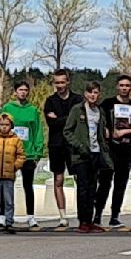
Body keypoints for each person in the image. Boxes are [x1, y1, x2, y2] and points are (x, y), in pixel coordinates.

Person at [65, 80, 112, 233]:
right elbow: (67, 131)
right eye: (90, 92)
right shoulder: (77, 110)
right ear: (85, 94)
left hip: (96, 153)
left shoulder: (99, 111)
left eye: (96, 92)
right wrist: (79, 145)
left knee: (93, 188)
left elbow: (102, 132)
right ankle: (83, 221)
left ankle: (91, 220)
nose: (93, 95)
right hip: (81, 155)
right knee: (83, 188)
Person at [94, 75, 131, 227]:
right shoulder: (108, 104)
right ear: (117, 87)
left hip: (126, 149)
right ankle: (97, 214)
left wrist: (125, 132)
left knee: (121, 184)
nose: (124, 88)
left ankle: (115, 216)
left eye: (127, 85)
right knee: (104, 183)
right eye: (122, 85)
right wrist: (106, 130)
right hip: (109, 149)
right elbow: (99, 121)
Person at [0, 82, 44, 228]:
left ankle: (31, 216)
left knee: (28, 185)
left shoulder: (33, 110)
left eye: (26, 90)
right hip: (10, 152)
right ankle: (3, 216)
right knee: (6, 185)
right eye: (20, 90)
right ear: (15, 91)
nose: (23, 93)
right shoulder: (7, 108)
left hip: (28, 153)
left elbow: (38, 131)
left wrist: (38, 151)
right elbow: (2, 127)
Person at [43, 69, 77, 228]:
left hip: (74, 145)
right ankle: (62, 216)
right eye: (57, 82)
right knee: (58, 179)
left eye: (62, 82)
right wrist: (69, 118)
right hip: (56, 144)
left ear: (68, 82)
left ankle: (84, 213)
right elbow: (52, 123)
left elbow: (77, 121)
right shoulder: (50, 101)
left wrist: (61, 119)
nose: (60, 85)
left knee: (80, 179)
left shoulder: (78, 100)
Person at [0, 114, 26, 234]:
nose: (4, 127)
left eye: (7, 125)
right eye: (2, 125)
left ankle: (9, 222)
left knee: (9, 200)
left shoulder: (16, 140)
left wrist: (14, 166)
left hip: (9, 175)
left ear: (11, 126)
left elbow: (21, 156)